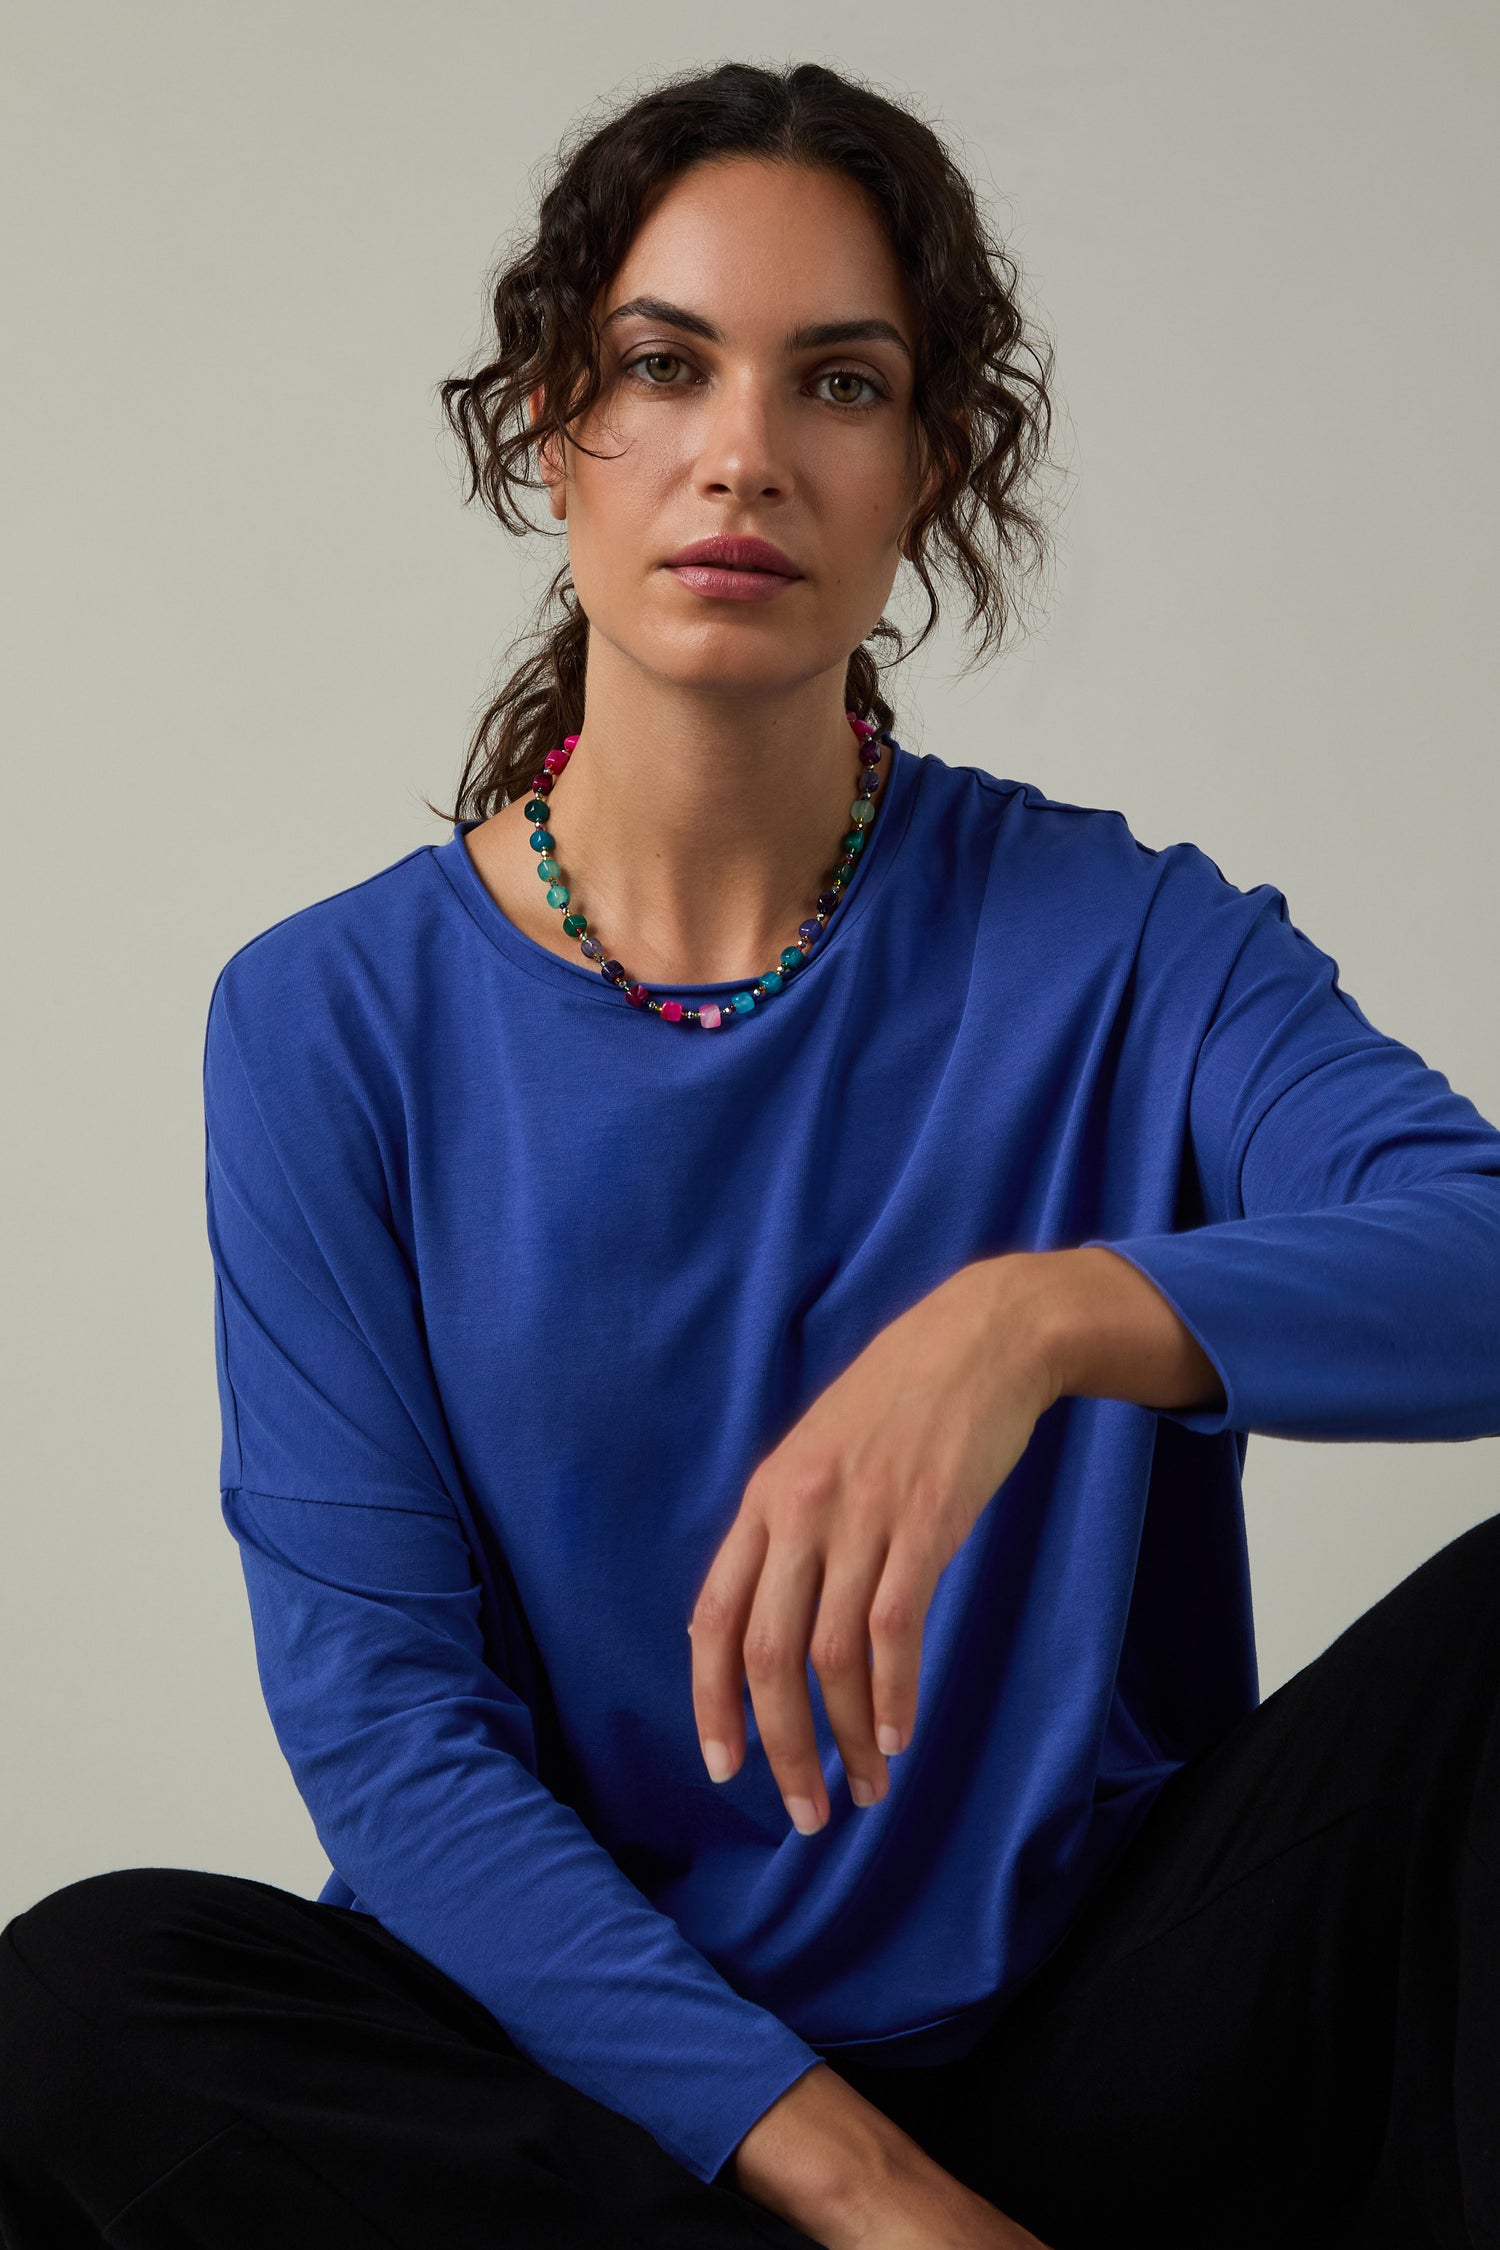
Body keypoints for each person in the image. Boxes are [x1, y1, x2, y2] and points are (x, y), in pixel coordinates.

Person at [3, 56, 1498, 2250]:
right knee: (80, 2002)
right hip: (615, 2114)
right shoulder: (331, 1023)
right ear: (553, 429)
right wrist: (880, 2205)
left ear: (929, 467)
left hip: (1103, 2043)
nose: (744, 453)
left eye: (842, 382)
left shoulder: (1125, 940)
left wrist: (1040, 1318)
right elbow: (393, 1738)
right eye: (665, 365)